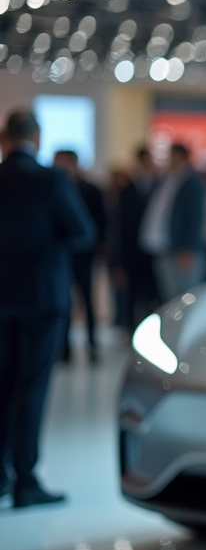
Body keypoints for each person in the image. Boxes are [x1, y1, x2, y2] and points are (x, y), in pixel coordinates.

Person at [0, 111, 95, 507]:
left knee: (1, 385)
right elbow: (82, 231)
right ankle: (26, 479)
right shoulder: (51, 179)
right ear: (36, 137)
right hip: (42, 295)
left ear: (5, 138)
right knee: (32, 386)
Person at [52, 150, 107, 363]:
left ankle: (93, 344)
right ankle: (64, 348)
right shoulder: (54, 187)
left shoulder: (91, 190)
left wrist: (100, 247)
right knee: (64, 300)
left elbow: (101, 221)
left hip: (85, 253)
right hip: (62, 254)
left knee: (87, 298)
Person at [139, 143, 206, 300]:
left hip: (182, 251)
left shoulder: (193, 182)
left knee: (185, 298)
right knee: (170, 298)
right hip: (165, 247)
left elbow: (195, 216)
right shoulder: (167, 180)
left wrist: (187, 249)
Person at [111, 147, 159, 331]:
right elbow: (119, 228)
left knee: (151, 297)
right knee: (131, 296)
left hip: (152, 252)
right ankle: (130, 330)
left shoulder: (159, 186)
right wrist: (118, 261)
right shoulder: (127, 190)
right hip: (132, 253)